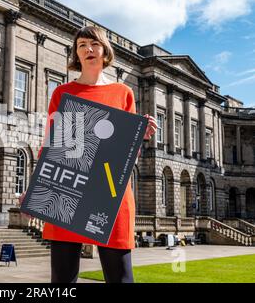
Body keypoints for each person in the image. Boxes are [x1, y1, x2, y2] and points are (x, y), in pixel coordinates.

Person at [19, 26, 158, 283]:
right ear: (76, 54)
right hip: (68, 190)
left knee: (121, 278)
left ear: (105, 51)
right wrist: (35, 189)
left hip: (110, 193)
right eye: (81, 45)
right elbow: (52, 146)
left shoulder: (123, 93)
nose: (88, 49)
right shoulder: (63, 93)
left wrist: (141, 136)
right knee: (62, 280)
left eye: (94, 44)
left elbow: (128, 156)